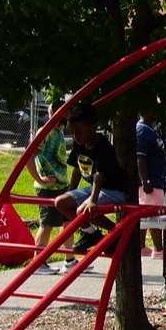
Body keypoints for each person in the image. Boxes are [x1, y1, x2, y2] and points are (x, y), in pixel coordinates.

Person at [52, 103, 136, 262]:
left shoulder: (102, 146)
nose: (76, 137)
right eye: (72, 133)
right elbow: (77, 169)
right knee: (60, 202)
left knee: (83, 210)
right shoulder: (79, 145)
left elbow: (99, 175)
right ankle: (91, 234)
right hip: (95, 188)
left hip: (114, 189)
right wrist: (70, 192)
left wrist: (93, 201)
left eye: (79, 132)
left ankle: (116, 232)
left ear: (93, 127)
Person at [30, 110, 70, 273]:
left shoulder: (59, 132)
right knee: (47, 224)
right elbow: (29, 157)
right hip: (48, 188)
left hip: (62, 185)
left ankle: (70, 259)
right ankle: (38, 262)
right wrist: (41, 179)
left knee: (68, 222)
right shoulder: (45, 132)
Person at [136, 112, 166, 256]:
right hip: (150, 181)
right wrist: (145, 180)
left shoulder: (150, 129)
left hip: (156, 179)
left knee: (147, 213)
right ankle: (158, 249)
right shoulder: (142, 130)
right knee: (152, 213)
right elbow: (140, 157)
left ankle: (142, 246)